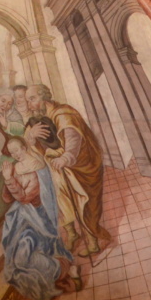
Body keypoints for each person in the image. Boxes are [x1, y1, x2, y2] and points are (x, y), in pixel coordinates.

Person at [23, 84, 110, 263]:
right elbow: (29, 145)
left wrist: (66, 157)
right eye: (27, 100)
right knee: (62, 203)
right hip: (56, 169)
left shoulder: (63, 114)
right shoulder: (38, 118)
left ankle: (92, 242)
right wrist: (31, 136)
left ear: (44, 98)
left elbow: (73, 139)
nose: (29, 104)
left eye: (32, 99)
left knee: (81, 203)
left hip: (78, 167)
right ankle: (72, 234)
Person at [2, 136, 77, 300]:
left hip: (37, 220)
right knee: (18, 260)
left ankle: (61, 268)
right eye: (12, 152)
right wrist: (8, 179)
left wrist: (9, 179)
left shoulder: (37, 166)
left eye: (17, 150)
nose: (15, 154)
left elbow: (24, 197)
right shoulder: (15, 167)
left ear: (24, 148)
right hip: (20, 220)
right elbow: (7, 198)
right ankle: (58, 269)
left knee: (25, 258)